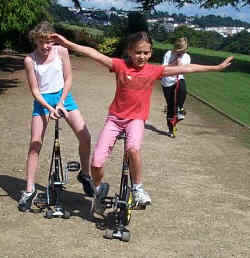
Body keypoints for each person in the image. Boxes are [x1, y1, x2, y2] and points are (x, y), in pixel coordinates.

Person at [51, 31, 233, 214]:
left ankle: (138, 188)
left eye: (146, 53)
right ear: (129, 51)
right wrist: (67, 43)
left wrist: (216, 67)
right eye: (138, 52)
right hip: (115, 119)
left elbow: (187, 68)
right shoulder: (120, 65)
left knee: (133, 149)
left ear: (151, 52)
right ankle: (98, 192)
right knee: (96, 163)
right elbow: (93, 53)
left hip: (136, 120)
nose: (142, 57)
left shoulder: (154, 70)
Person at [18, 21, 93, 212]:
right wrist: (49, 108)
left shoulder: (62, 52)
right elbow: (35, 90)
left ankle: (85, 175)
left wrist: (60, 103)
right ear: (35, 40)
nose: (45, 46)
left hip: (63, 97)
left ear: (54, 40)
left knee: (85, 137)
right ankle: (29, 190)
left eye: (49, 41)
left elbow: (68, 78)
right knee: (35, 144)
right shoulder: (30, 60)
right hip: (42, 101)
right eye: (41, 41)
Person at [161, 37, 191, 137]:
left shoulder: (187, 57)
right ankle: (171, 128)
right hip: (167, 82)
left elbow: (183, 70)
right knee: (170, 106)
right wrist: (176, 61)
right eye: (180, 50)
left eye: (184, 50)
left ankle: (180, 109)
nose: (182, 52)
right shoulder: (168, 54)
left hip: (178, 79)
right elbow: (164, 69)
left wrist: (180, 64)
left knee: (183, 89)